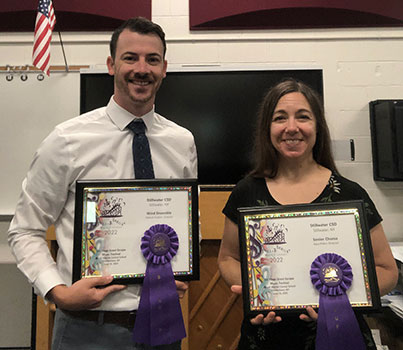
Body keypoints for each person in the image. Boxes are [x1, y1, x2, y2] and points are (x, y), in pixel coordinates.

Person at [8, 17, 197, 350]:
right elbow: (25, 230)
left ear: (164, 68)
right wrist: (58, 291)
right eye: (130, 58)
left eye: (152, 59)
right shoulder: (67, 140)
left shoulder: (182, 142)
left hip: (162, 323)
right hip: (88, 329)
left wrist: (178, 267)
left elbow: (180, 224)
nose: (142, 68)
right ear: (111, 65)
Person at [217, 78, 398, 350]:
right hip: (266, 336)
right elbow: (228, 258)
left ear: (317, 127)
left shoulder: (349, 194)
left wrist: (342, 301)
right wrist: (259, 294)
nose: (292, 128)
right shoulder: (246, 192)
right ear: (267, 128)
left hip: (341, 333)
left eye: (303, 117)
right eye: (280, 118)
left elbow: (387, 270)